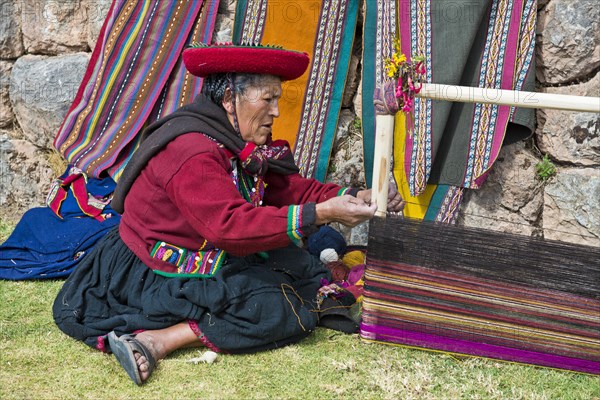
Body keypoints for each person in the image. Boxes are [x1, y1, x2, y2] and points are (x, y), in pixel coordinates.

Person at [53, 42, 405, 386]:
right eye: (268, 99)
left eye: (277, 99)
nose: (277, 111)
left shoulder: (231, 140)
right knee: (275, 309)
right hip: (156, 266)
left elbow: (286, 190)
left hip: (205, 246)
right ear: (228, 100)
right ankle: (158, 340)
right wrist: (320, 214)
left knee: (302, 269)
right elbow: (229, 227)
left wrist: (351, 196)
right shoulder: (192, 151)